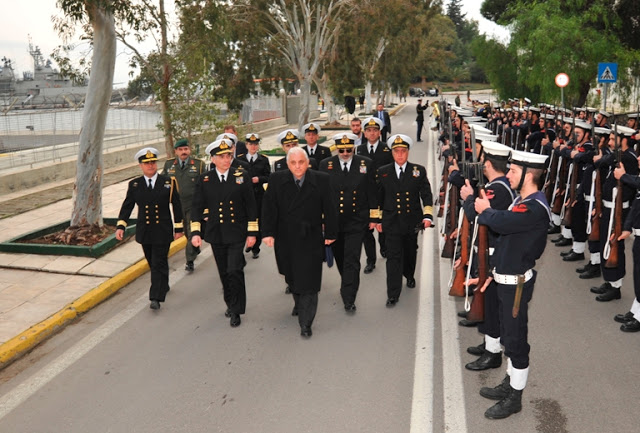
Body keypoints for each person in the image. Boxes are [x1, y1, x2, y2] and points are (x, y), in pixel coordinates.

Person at [472, 149, 550, 419]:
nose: (508, 175)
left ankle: (515, 396)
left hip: (516, 286)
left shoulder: (535, 207)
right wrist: (491, 273)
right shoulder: (521, 200)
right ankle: (510, 381)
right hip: (505, 279)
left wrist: (486, 210)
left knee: (516, 340)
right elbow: (507, 242)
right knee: (507, 334)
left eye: (514, 171)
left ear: (530, 175)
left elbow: (505, 224)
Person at [262, 147, 338, 338]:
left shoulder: (321, 180)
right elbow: (269, 208)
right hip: (285, 237)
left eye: (301, 162)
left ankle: (306, 322)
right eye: (293, 163)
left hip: (311, 236)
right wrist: (267, 233)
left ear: (308, 163)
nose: (297, 166)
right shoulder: (277, 180)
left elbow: (330, 208)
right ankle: (298, 301)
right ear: (288, 164)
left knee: (310, 281)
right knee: (292, 276)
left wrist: (330, 233)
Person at [190, 139, 258, 328]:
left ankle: (236, 310)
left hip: (237, 231)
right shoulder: (205, 180)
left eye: (228, 155)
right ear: (213, 159)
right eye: (222, 157)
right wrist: (195, 232)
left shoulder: (241, 176)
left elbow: (251, 205)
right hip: (216, 233)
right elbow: (197, 207)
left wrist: (252, 233)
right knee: (224, 272)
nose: (226, 159)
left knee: (234, 269)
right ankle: (230, 302)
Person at [115, 147, 184, 310]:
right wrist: (121, 226)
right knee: (152, 261)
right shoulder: (135, 185)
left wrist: (179, 228)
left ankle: (156, 297)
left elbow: (177, 206)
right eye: (147, 163)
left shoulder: (168, 182)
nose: (150, 166)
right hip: (145, 230)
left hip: (163, 229)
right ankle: (163, 283)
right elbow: (127, 206)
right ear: (141, 166)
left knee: (159, 261)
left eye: (153, 162)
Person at [319, 133, 377, 312]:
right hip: (334, 222)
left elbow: (372, 191)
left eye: (348, 149)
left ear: (354, 147)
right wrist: (322, 219)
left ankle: (349, 297)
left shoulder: (365, 164)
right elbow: (321, 195)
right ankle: (347, 281)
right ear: (336, 148)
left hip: (356, 221)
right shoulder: (325, 165)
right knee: (340, 258)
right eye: (341, 149)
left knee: (352, 259)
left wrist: (374, 217)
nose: (345, 153)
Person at [376, 134, 433, 307]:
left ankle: (409, 274)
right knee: (393, 257)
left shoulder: (418, 171)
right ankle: (393, 293)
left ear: (408, 152)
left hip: (412, 221)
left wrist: (427, 215)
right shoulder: (383, 172)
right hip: (391, 221)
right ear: (392, 153)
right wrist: (378, 219)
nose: (400, 155)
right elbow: (378, 197)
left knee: (410, 251)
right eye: (397, 151)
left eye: (403, 151)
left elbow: (426, 194)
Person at [162, 138, 207, 272]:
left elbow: (205, 186)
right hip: (177, 205)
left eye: (186, 149)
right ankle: (195, 247)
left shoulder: (199, 165)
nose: (184, 152)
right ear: (175, 151)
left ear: (190, 150)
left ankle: (190, 260)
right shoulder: (169, 165)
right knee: (187, 232)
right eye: (180, 150)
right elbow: (163, 181)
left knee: (191, 229)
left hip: (193, 204)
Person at [356, 117, 393, 273]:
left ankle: (384, 247)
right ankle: (370, 260)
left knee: (382, 225)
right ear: (364, 133)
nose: (372, 133)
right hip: (365, 196)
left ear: (379, 133)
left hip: (383, 193)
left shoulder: (387, 149)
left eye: (375, 130)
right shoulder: (359, 150)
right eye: (369, 131)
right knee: (366, 230)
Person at [238, 133, 271, 259]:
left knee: (257, 220)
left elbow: (269, 176)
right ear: (246, 145)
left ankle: (255, 246)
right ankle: (245, 241)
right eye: (250, 144)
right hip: (243, 196)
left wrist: (259, 179)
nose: (253, 146)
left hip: (258, 195)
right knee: (244, 220)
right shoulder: (240, 160)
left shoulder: (264, 159)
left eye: (255, 144)